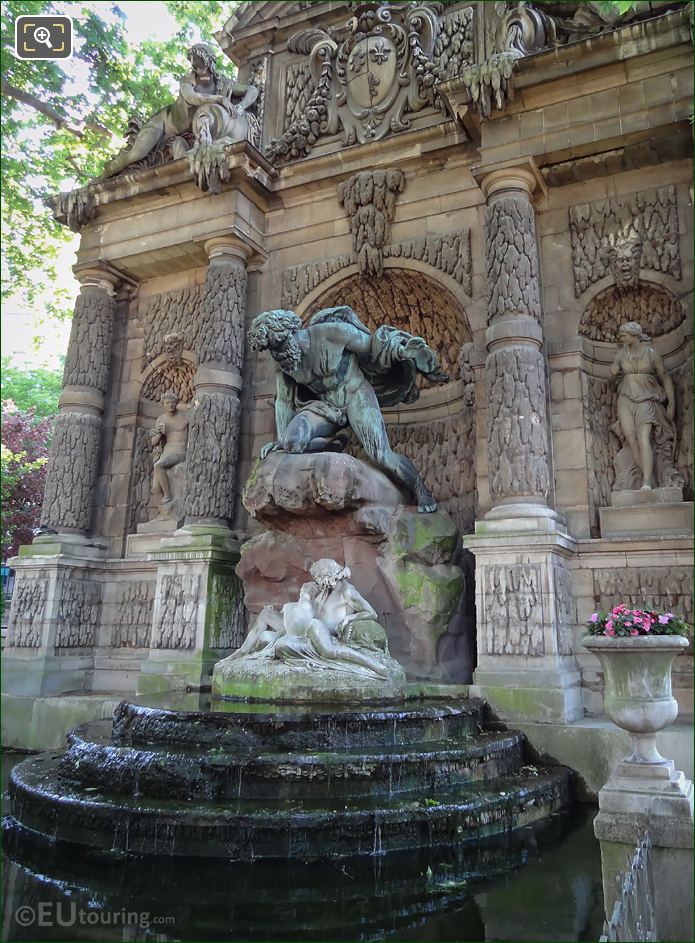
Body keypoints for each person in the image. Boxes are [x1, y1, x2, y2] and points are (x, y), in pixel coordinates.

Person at [248, 306, 448, 512]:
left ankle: (421, 490)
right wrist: (280, 442)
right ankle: (331, 443)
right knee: (290, 443)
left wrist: (401, 351)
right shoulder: (285, 362)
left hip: (355, 396)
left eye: (277, 345)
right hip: (325, 408)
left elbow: (373, 350)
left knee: (381, 455)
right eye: (271, 349)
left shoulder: (333, 333)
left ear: (288, 333)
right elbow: (284, 401)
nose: (275, 353)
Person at [102, 43, 258, 178]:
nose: (196, 66)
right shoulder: (187, 80)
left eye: (199, 61)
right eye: (193, 62)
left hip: (191, 131)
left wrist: (241, 107)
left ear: (210, 61)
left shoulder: (223, 83)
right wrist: (218, 99)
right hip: (165, 123)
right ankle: (104, 175)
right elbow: (192, 98)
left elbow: (252, 90)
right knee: (135, 155)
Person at [229, 559, 389, 678]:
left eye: (318, 578)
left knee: (327, 649)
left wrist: (350, 618)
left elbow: (371, 613)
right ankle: (242, 651)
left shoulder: (347, 592)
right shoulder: (326, 590)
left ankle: (374, 666)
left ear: (326, 576)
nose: (317, 582)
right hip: (304, 628)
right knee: (266, 617)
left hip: (318, 630)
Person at [610, 321, 676, 491]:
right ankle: (650, 478)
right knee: (631, 439)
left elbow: (664, 376)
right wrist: (613, 370)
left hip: (646, 397)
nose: (621, 338)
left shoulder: (651, 354)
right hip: (625, 397)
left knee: (643, 438)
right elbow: (613, 373)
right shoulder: (620, 354)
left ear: (634, 335)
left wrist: (672, 402)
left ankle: (646, 481)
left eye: (624, 335)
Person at [150, 392, 189, 507]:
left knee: (158, 466)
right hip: (167, 451)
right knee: (156, 488)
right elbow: (154, 442)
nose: (170, 405)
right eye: (167, 403)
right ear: (163, 404)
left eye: (172, 402)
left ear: (176, 403)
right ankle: (164, 515)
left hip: (180, 450)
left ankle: (168, 496)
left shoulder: (185, 417)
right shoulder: (161, 419)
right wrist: (160, 434)